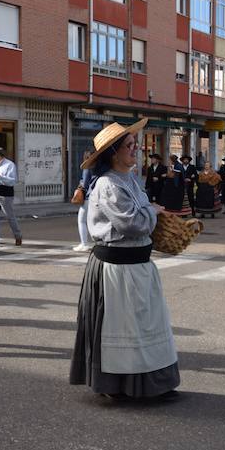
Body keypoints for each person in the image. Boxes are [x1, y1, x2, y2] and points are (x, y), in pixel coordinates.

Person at [70, 119, 180, 400]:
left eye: (135, 144)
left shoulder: (130, 178)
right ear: (113, 153)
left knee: (145, 325)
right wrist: (153, 211)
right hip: (117, 268)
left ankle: (150, 383)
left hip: (136, 265)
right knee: (125, 328)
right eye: (129, 145)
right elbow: (133, 224)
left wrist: (150, 210)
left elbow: (140, 215)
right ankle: (120, 386)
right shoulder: (108, 184)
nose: (136, 149)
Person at [73, 149, 94, 252]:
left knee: (81, 220)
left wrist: (80, 187)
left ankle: (84, 243)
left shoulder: (87, 168)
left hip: (88, 197)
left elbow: (85, 184)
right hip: (97, 197)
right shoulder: (99, 167)